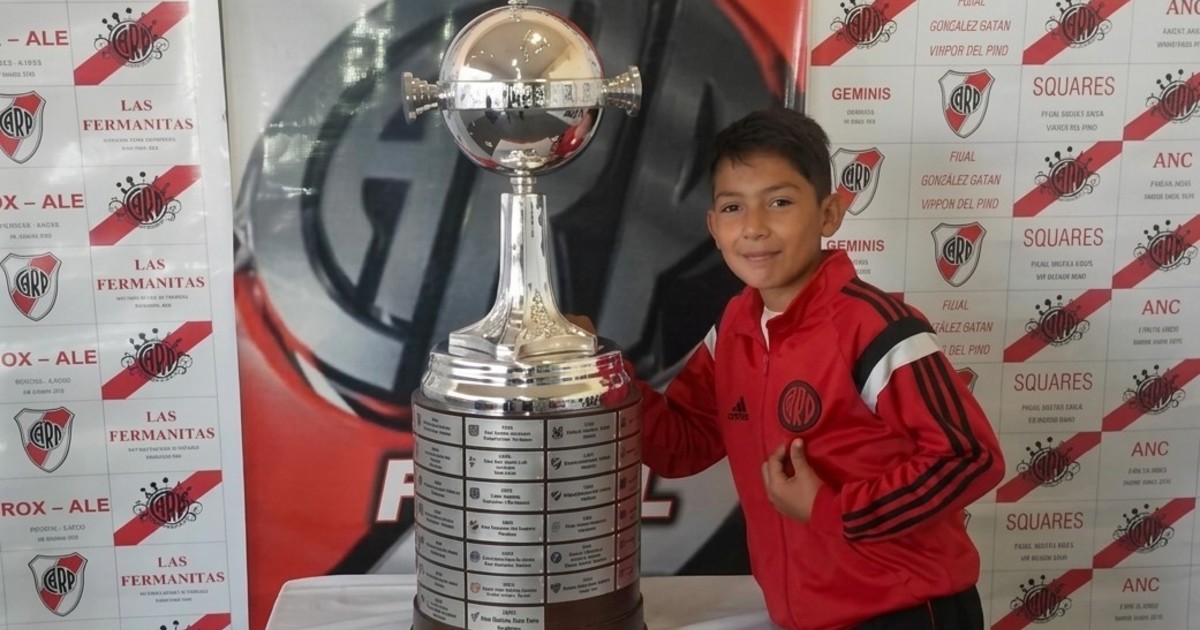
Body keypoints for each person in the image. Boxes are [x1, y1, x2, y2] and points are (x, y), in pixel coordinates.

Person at [586, 108, 1006, 629]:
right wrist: (595, 368)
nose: (754, 227)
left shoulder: (873, 326)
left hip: (908, 614)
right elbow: (681, 444)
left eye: (780, 202)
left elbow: (969, 458)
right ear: (714, 227)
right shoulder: (734, 327)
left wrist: (833, 510)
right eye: (733, 207)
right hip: (804, 616)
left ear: (828, 214)